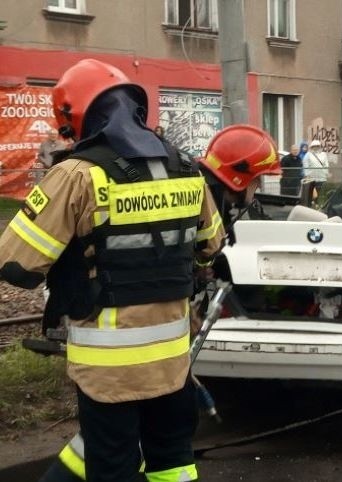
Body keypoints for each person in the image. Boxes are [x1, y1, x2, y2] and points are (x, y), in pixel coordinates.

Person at [0, 58, 226, 482]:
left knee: (113, 465)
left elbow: (17, 266)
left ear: (77, 117)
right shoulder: (185, 168)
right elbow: (210, 246)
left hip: (109, 372)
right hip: (172, 364)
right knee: (174, 462)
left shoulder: (76, 176)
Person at [37, 123, 280, 482]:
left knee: (110, 440)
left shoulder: (179, 178)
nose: (258, 190)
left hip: (123, 342)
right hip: (139, 344)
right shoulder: (196, 188)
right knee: (138, 445)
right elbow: (204, 251)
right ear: (240, 177)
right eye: (258, 180)